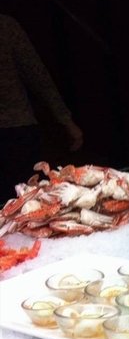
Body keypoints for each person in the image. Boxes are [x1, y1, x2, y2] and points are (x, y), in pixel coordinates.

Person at [0, 13, 83, 203]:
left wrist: (65, 119)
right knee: (31, 203)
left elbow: (37, 75)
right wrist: (66, 120)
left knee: (33, 203)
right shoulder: (6, 25)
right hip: (17, 131)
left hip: (17, 132)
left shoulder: (5, 26)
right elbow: (37, 75)